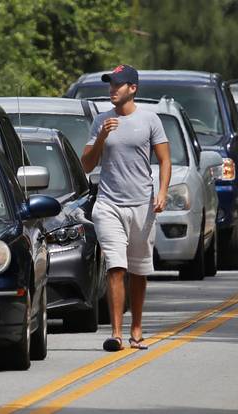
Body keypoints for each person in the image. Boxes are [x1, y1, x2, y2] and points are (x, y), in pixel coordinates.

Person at [81, 65, 171, 352]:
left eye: (118, 85)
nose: (112, 89)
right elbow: (86, 164)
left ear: (133, 88)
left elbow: (164, 160)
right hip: (108, 204)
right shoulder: (101, 121)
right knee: (115, 267)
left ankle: (136, 329)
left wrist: (162, 192)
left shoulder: (150, 120)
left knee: (138, 270)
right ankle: (116, 334)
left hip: (142, 205)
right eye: (110, 84)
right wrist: (102, 138)